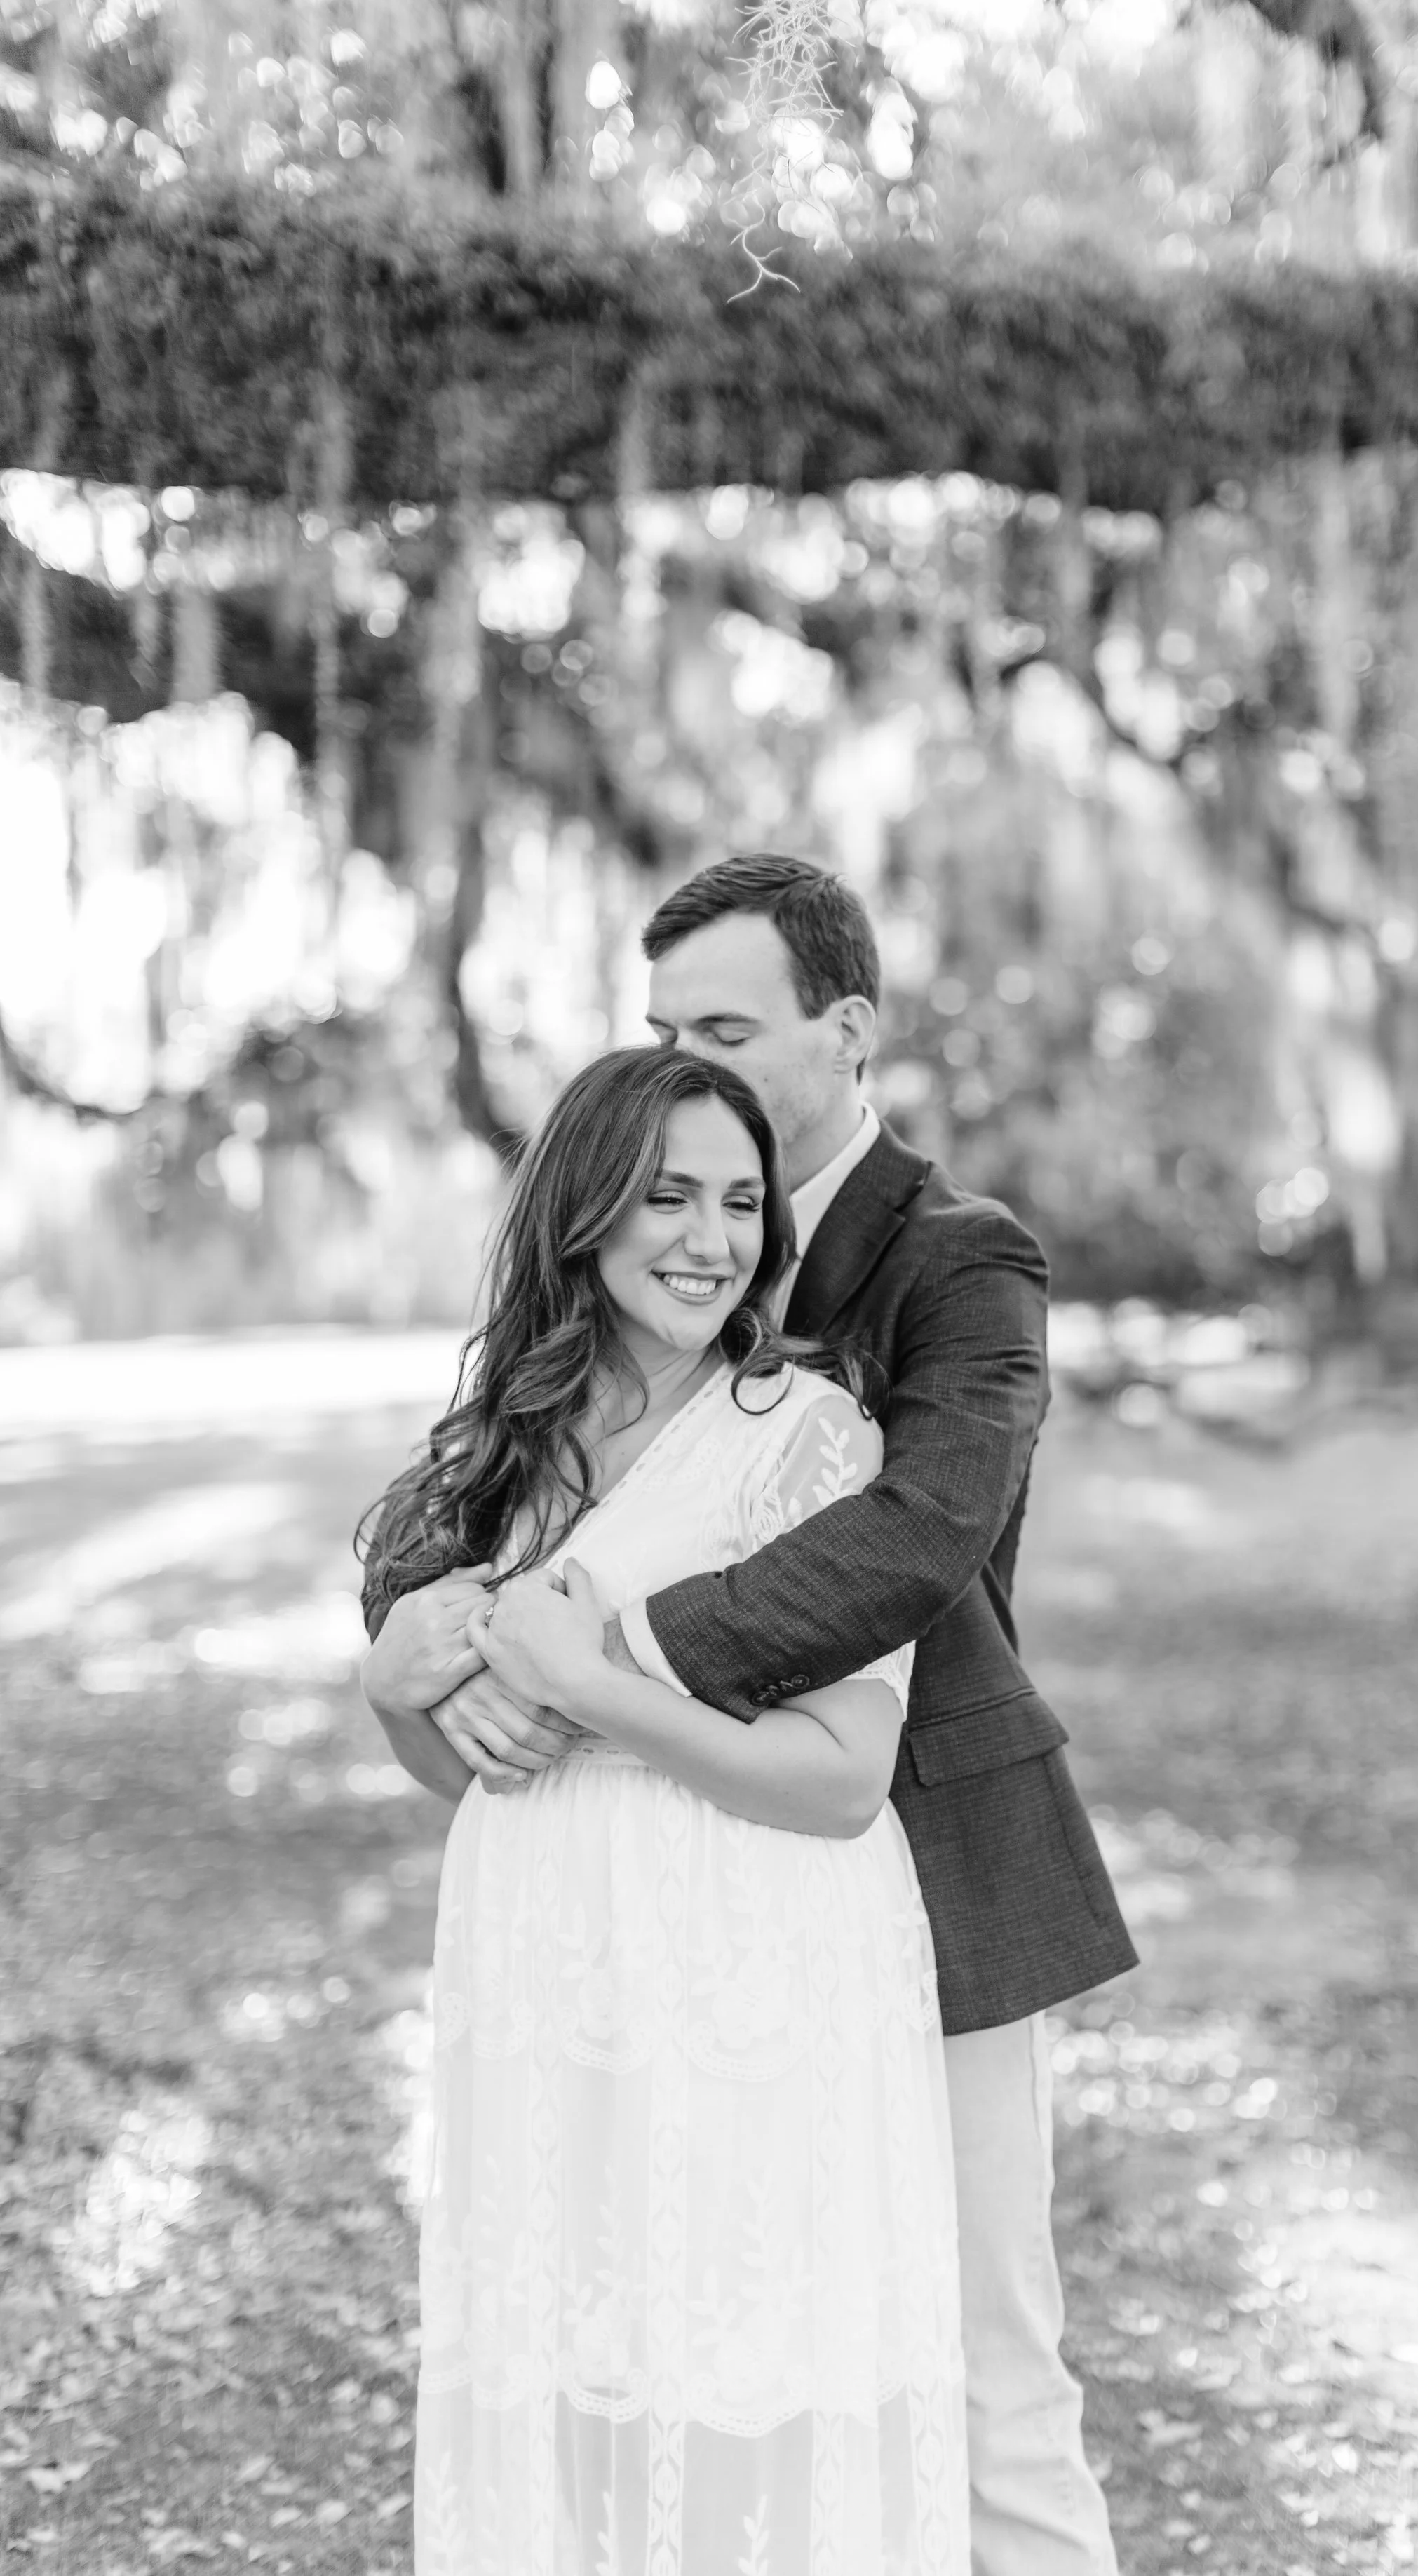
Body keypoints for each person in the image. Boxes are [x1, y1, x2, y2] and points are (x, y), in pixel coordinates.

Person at [365, 856, 1137, 2576]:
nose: (684, 1064)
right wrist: (431, 1650)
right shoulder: (617, 1257)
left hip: (919, 1850)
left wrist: (596, 1663)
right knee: (675, 2338)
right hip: (645, 1910)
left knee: (979, 2362)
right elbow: (466, 1530)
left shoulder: (957, 1261)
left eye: (721, 1030)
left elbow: (915, 1539)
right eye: (661, 1033)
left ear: (843, 1033)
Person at [361, 1046, 967, 2575]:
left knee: (739, 2380)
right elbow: (476, 1773)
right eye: (668, 1197)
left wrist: (598, 1681)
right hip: (549, 1971)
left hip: (746, 1961)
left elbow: (841, 1779)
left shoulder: (806, 1434)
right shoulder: (508, 1440)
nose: (712, 1240)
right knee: (575, 2389)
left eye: (742, 1203)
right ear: (583, 1210)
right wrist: (393, 1693)